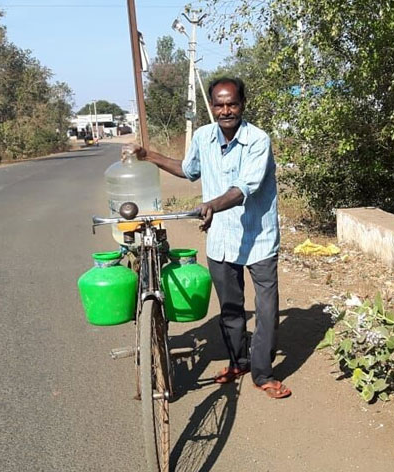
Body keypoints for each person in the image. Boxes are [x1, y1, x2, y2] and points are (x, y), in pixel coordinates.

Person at [124, 77, 290, 399]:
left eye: (232, 103)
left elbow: (244, 188)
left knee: (267, 306)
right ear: (211, 106)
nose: (226, 110)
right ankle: (237, 361)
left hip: (258, 238)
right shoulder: (202, 137)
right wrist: (148, 155)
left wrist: (212, 204)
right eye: (219, 104)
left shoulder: (258, 140)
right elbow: (188, 170)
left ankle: (263, 373)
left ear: (243, 104)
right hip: (221, 240)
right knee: (230, 307)